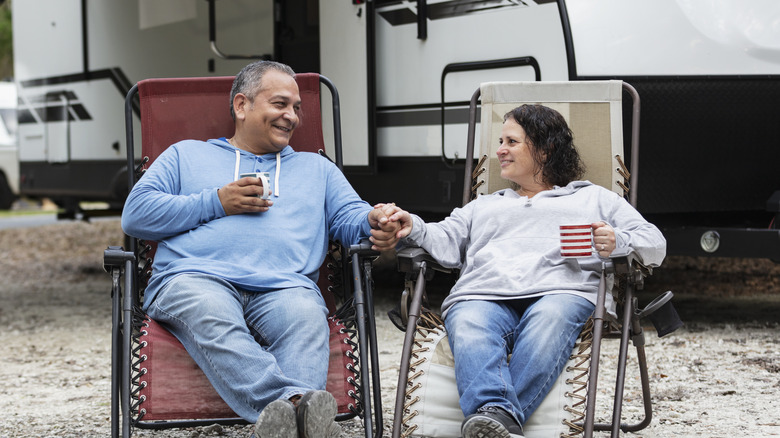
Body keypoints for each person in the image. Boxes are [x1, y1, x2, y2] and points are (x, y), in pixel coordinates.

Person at [121, 60, 404, 438]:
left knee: (306, 318)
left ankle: (288, 422)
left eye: (297, 108)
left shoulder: (316, 169)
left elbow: (351, 217)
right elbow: (136, 216)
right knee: (211, 313)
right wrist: (218, 201)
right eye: (280, 104)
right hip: (196, 278)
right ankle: (299, 408)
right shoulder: (184, 155)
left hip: (285, 286)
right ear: (241, 106)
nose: (292, 117)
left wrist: (375, 222)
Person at [389, 104, 666, 438]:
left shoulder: (593, 198)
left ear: (545, 150)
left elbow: (655, 243)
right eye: (500, 141)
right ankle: (501, 420)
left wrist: (618, 240)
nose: (499, 150)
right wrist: (413, 224)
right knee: (467, 320)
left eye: (511, 141)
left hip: (562, 292)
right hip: (484, 294)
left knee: (550, 317)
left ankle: (491, 419)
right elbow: (444, 241)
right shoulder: (485, 205)